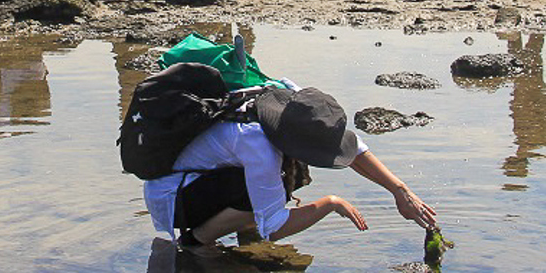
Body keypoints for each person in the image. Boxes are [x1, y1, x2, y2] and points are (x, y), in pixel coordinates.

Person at [143, 86, 437, 249]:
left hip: (202, 176)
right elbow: (273, 229)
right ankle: (195, 243)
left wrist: (400, 190)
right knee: (270, 191)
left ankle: (244, 237)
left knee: (281, 181)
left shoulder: (290, 100)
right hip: (171, 196)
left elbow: (354, 148)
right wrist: (330, 204)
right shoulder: (258, 146)